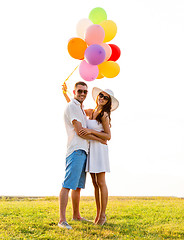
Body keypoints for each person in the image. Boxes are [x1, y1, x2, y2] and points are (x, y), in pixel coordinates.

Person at [62, 83, 119, 226]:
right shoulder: (91, 111)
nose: (102, 98)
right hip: (90, 149)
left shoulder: (104, 114)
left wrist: (91, 132)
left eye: (105, 98)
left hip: (99, 149)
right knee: (94, 184)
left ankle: (102, 215)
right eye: (101, 95)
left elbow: (108, 136)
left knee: (101, 182)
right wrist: (65, 93)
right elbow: (74, 108)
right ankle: (98, 214)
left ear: (108, 102)